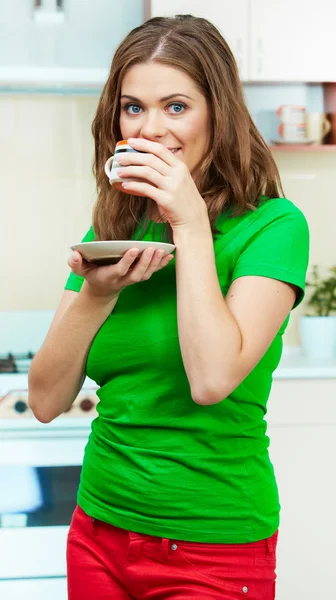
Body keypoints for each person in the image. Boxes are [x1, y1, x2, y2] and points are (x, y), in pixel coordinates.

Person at [28, 14, 309, 600]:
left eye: (175, 106)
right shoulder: (116, 225)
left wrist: (190, 221)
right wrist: (97, 293)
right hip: (98, 531)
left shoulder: (274, 228)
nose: (150, 129)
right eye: (134, 107)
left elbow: (211, 380)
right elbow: (46, 400)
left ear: (217, 112)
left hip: (212, 545)